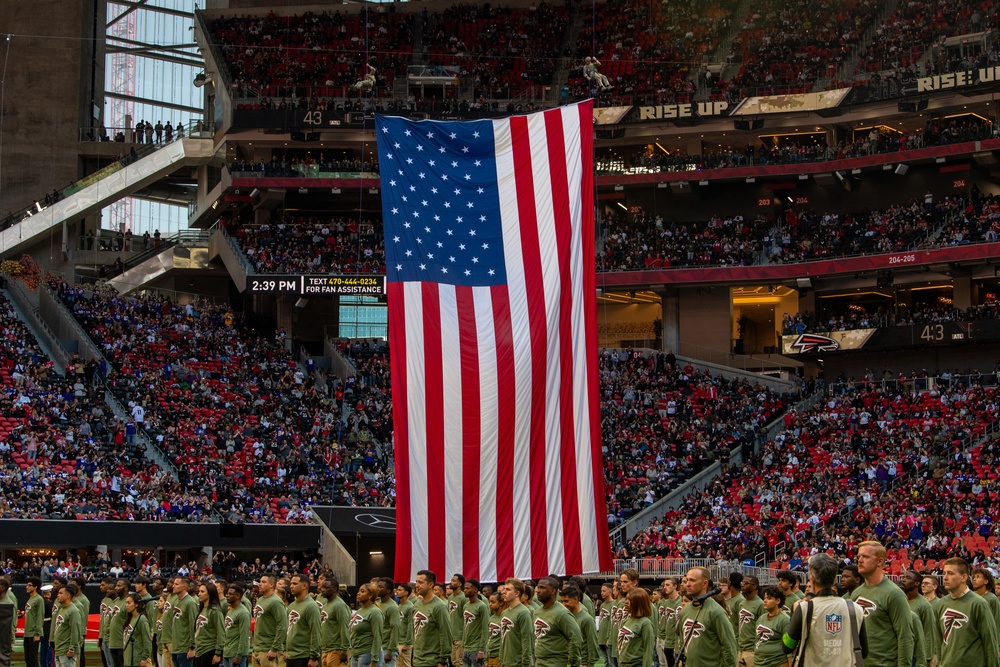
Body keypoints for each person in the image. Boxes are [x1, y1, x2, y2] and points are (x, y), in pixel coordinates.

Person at [782, 554, 867, 667]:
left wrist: (793, 616)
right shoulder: (855, 608)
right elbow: (864, 652)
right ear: (834, 579)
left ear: (812, 578)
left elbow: (787, 646)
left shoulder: (804, 608)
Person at [850, 541, 912, 667]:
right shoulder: (856, 593)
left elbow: (905, 637)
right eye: (859, 556)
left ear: (879, 561)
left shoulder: (894, 594)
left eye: (865, 557)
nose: (860, 560)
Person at [936, 557, 998, 667]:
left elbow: (990, 643)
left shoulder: (979, 604)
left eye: (950, 573)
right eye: (944, 573)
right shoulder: (941, 603)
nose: (945, 578)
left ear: (964, 577)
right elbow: (939, 640)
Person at [676, 567, 737, 667]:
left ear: (704, 583)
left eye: (692, 580)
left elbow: (728, 647)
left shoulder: (716, 612)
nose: (687, 584)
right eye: (687, 580)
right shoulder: (684, 611)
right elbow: (683, 644)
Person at [531, 577, 581, 667]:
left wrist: (573, 661)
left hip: (556, 663)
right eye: (538, 587)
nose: (538, 591)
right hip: (539, 662)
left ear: (553, 591)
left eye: (542, 587)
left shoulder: (562, 613)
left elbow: (575, 638)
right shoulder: (537, 612)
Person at [410, 570, 452, 667]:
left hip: (433, 661)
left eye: (420, 582)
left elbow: (446, 634)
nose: (417, 585)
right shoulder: (417, 604)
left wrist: (443, 660)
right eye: (416, 582)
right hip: (417, 660)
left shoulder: (439, 606)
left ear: (430, 584)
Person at [900, 570, 938, 667]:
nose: (903, 580)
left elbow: (929, 632)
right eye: (903, 577)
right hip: (901, 652)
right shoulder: (899, 601)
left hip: (915, 655)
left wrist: (928, 658)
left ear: (917, 583)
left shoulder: (924, 606)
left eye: (908, 578)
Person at [285, 574, 321, 667]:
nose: (291, 586)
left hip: (304, 656)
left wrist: (314, 657)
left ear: (304, 586)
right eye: (290, 583)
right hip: (291, 655)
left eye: (294, 583)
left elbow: (315, 632)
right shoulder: (292, 605)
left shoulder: (311, 606)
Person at [560, 586, 598, 667]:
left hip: (582, 663)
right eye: (562, 601)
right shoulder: (565, 617)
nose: (563, 604)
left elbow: (592, 644)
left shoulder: (587, 619)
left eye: (566, 601)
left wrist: (590, 664)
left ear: (576, 599)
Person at [750, 587, 788, 667]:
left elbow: (789, 648)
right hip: (758, 662)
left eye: (769, 598)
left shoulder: (784, 620)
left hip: (776, 663)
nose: (765, 601)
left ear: (778, 601)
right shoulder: (761, 618)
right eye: (764, 598)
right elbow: (757, 639)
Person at [617, 589, 654, 667]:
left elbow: (648, 650)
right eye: (626, 599)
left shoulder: (645, 623)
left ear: (639, 603)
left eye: (630, 600)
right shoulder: (627, 621)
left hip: (636, 664)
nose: (626, 602)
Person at [499, 579, 531, 667]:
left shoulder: (523, 612)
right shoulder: (504, 613)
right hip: (505, 662)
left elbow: (527, 641)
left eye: (508, 590)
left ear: (517, 593)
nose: (504, 592)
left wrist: (526, 663)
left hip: (518, 663)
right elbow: (503, 638)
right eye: (504, 589)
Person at [317, 579, 349, 667]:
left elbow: (344, 627)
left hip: (336, 649)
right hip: (325, 649)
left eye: (326, 587)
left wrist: (344, 650)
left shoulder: (339, 605)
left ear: (334, 589)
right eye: (322, 587)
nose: (322, 589)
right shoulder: (327, 604)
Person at [350, 583, 383, 667]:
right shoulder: (359, 610)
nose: (358, 593)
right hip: (355, 653)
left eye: (362, 591)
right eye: (359, 591)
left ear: (370, 595)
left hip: (366, 654)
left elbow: (377, 637)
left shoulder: (375, 612)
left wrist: (374, 660)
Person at [194, 582, 224, 667]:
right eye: (199, 591)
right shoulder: (202, 609)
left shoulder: (215, 611)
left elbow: (220, 632)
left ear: (210, 593)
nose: (199, 594)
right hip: (199, 650)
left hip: (209, 649)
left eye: (202, 592)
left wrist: (218, 653)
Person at [735, 576, 763, 667]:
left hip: (752, 649)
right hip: (740, 648)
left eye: (746, 583)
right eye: (742, 583)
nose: (743, 585)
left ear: (754, 586)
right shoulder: (742, 603)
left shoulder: (760, 604)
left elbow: (763, 627)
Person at [460, 580, 488, 667]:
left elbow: (485, 628)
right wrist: (463, 646)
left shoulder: (482, 606)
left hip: (476, 648)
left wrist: (481, 650)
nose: (465, 590)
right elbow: (465, 627)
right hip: (466, 648)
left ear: (475, 590)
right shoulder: (466, 606)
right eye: (464, 588)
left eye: (468, 588)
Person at [172, 578, 199, 667]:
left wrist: (192, 647)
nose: (173, 586)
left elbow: (194, 626)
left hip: (185, 648)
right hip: (176, 647)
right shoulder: (176, 601)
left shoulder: (190, 603)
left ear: (184, 587)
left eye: (176, 584)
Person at [54, 584, 82, 667]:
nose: (58, 595)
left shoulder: (73, 611)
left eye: (60, 593)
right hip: (59, 649)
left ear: (68, 595)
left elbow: (75, 630)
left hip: (66, 650)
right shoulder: (62, 609)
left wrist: (72, 648)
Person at [223, 584, 251, 667]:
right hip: (227, 652)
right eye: (227, 594)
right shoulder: (231, 610)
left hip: (236, 654)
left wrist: (239, 655)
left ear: (238, 596)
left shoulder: (243, 613)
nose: (227, 596)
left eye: (230, 594)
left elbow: (244, 635)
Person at [657, 578, 681, 667]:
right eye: (664, 585)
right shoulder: (666, 603)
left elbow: (679, 625)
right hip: (665, 639)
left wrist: (676, 643)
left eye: (668, 585)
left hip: (674, 643)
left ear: (675, 586)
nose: (665, 588)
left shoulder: (680, 602)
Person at [376, 578, 400, 667]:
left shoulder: (392, 607)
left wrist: (390, 651)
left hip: (387, 648)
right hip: (377, 647)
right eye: (377, 586)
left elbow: (395, 629)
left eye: (380, 587)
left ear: (388, 590)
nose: (377, 589)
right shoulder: (377, 603)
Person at [123, 593, 152, 667]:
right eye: (126, 603)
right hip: (128, 659)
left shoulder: (141, 619)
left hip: (137, 660)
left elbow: (147, 640)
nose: (127, 605)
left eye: (129, 603)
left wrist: (144, 658)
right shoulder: (130, 618)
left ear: (136, 604)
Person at [110, 580, 132, 667]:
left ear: (126, 588)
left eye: (119, 586)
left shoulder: (128, 602)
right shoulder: (116, 601)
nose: (116, 588)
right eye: (116, 586)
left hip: (122, 642)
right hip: (113, 642)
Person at [971, 566, 1000, 632]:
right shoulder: (970, 596)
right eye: (974, 577)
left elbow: (996, 623)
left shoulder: (992, 599)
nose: (974, 579)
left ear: (986, 581)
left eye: (978, 577)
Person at [25, 577, 46, 667]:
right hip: (27, 632)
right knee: (28, 659)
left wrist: (37, 633)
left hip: (33, 633)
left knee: (33, 659)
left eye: (29, 585)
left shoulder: (39, 599)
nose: (27, 587)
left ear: (35, 587)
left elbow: (40, 616)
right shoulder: (30, 599)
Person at [447, 575, 467, 667]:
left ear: (460, 584)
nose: (451, 582)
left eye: (454, 581)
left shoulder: (463, 598)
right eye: (451, 580)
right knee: (453, 661)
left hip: (460, 635)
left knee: (460, 663)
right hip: (451, 635)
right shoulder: (450, 597)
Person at [396, 584, 415, 667]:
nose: (397, 592)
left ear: (406, 593)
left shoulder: (410, 607)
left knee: (405, 665)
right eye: (397, 590)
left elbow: (411, 625)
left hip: (404, 642)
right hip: (398, 641)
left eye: (400, 590)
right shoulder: (399, 606)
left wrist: (408, 643)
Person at [597, 584, 614, 667]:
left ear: (610, 592)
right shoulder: (603, 605)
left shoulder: (613, 604)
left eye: (604, 591)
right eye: (601, 591)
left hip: (608, 639)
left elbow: (612, 623)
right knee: (605, 663)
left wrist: (608, 637)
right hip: (601, 638)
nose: (602, 593)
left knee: (611, 663)